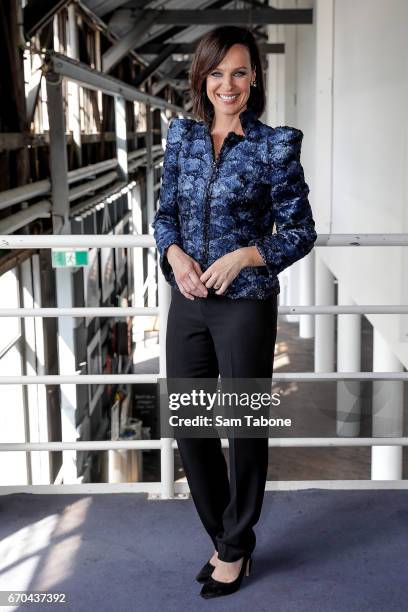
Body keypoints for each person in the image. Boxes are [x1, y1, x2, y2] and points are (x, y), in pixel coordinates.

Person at [151, 25, 317, 599]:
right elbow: (164, 215)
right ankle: (224, 536)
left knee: (244, 428)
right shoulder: (184, 139)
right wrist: (174, 256)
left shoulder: (275, 145)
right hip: (189, 302)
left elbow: (300, 232)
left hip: (245, 305)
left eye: (240, 72)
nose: (228, 84)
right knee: (192, 425)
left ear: (254, 79)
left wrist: (246, 255)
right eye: (217, 72)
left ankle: (235, 546)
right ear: (202, 78)